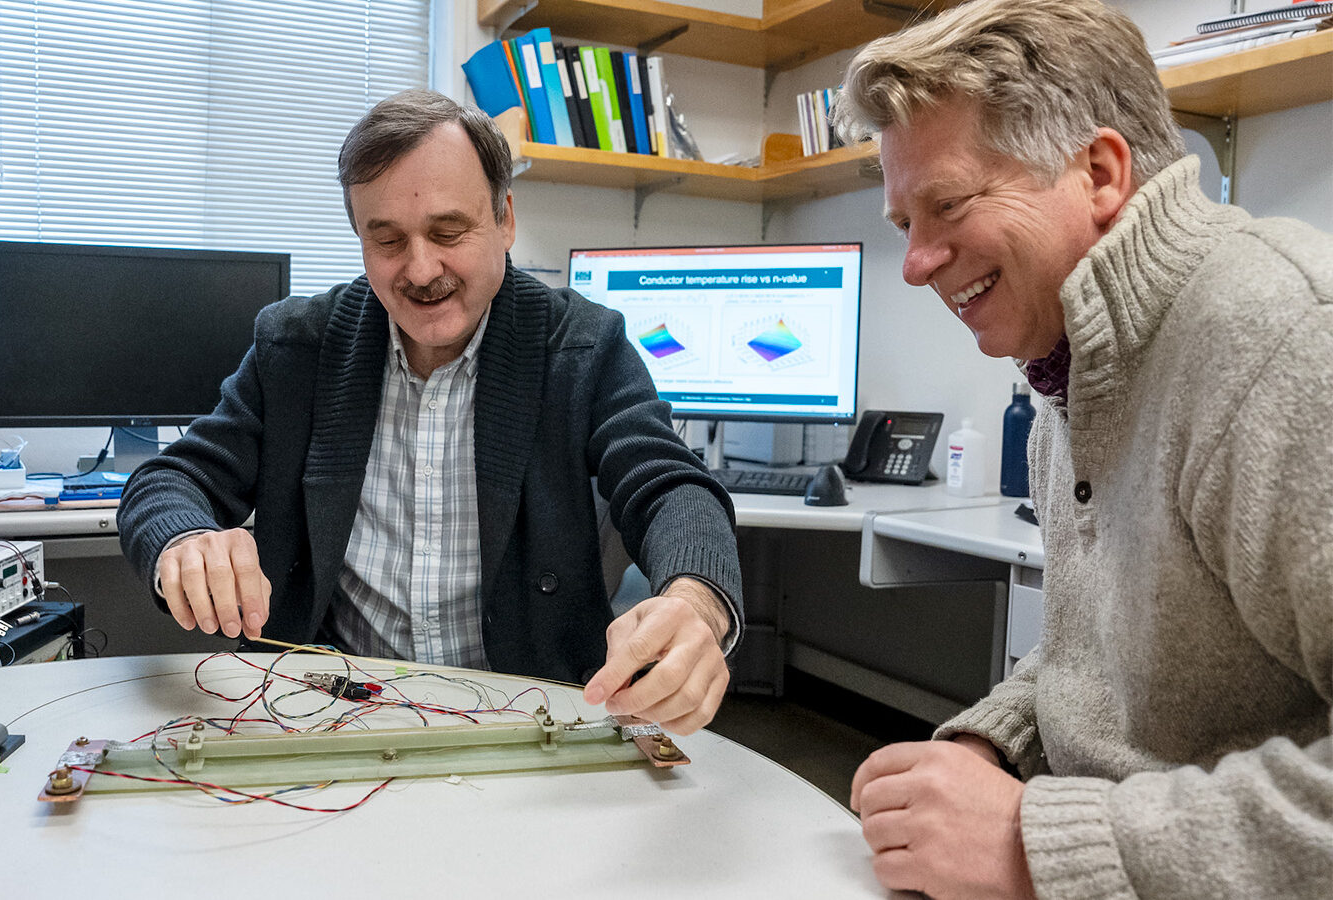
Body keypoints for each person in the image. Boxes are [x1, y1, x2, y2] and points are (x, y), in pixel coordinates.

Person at [831, 0, 1333, 897]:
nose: (913, 263)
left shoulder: (1283, 338)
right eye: (904, 223)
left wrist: (1038, 843)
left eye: (946, 204)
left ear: (1099, 172)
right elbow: (1100, 657)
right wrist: (995, 740)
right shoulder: (1071, 358)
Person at [117, 89, 743, 735]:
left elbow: (668, 484)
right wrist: (186, 542)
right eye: (386, 240)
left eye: (448, 232)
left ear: (504, 219)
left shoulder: (583, 345)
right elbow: (170, 480)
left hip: (530, 714)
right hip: (322, 711)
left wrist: (696, 601)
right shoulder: (297, 344)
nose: (420, 270)